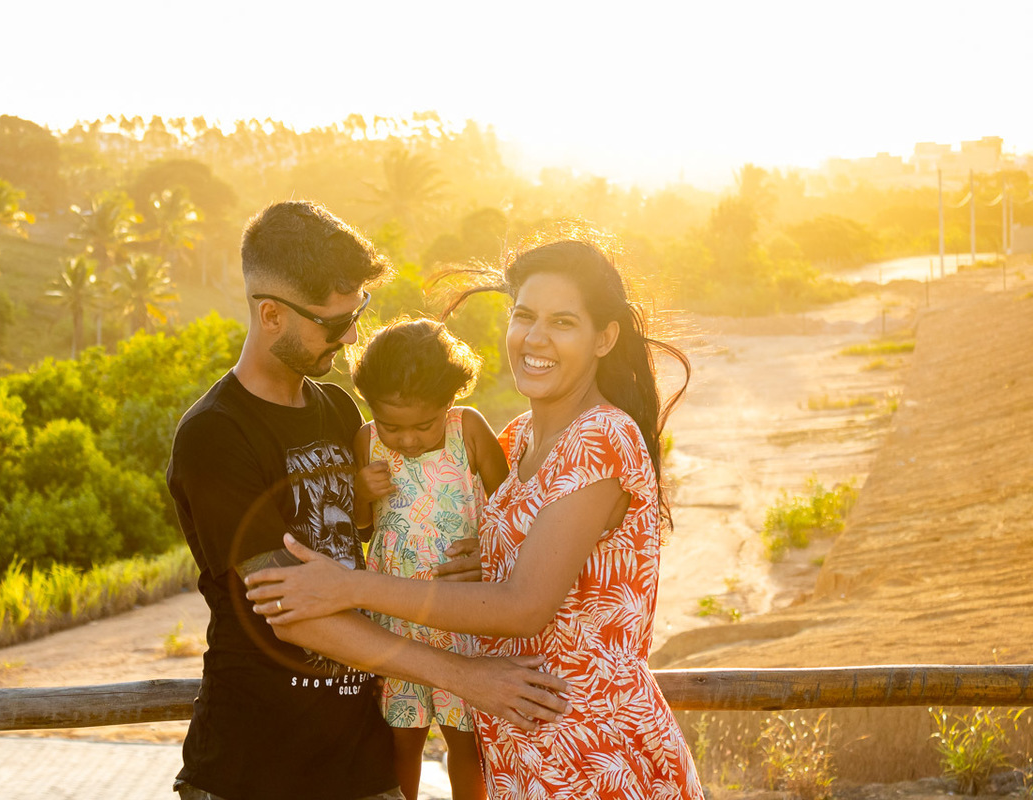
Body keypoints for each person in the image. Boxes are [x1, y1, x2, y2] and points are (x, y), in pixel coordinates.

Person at [246, 233, 704, 799]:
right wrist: (484, 559)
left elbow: (523, 607)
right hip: (518, 750)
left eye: (563, 322)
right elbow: (532, 569)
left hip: (590, 752)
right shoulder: (518, 440)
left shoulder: (602, 438)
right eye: (524, 315)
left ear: (604, 338)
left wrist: (348, 586)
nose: (535, 337)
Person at [166, 201, 569, 800]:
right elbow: (294, 609)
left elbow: (390, 534)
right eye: (333, 323)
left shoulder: (340, 413)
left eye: (358, 314)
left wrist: (482, 557)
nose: (352, 334)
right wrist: (466, 677)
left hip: (363, 765)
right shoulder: (216, 435)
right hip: (254, 773)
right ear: (271, 314)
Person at [350, 318, 508, 800]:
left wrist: (487, 551)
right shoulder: (367, 440)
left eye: (423, 424)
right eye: (393, 425)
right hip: (397, 625)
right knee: (403, 739)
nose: (409, 440)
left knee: (467, 740)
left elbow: (511, 514)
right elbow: (362, 528)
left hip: (464, 619)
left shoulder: (469, 431)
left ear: (450, 401)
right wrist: (359, 490)